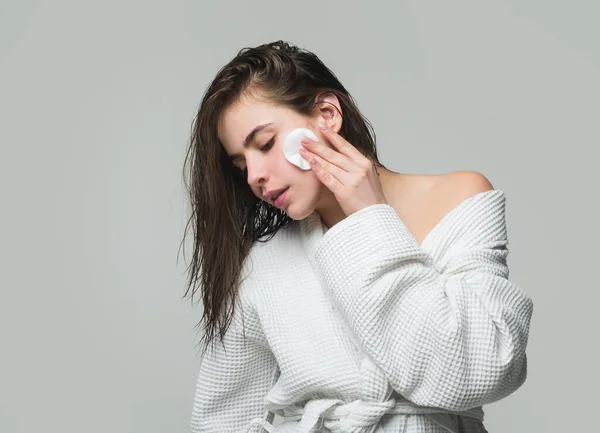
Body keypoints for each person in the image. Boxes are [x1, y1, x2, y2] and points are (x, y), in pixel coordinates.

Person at [182, 40, 534, 433]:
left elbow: (483, 369)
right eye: (240, 163)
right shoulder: (263, 263)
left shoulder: (458, 198)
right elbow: (220, 419)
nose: (253, 176)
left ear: (327, 115)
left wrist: (369, 218)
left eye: (265, 144)